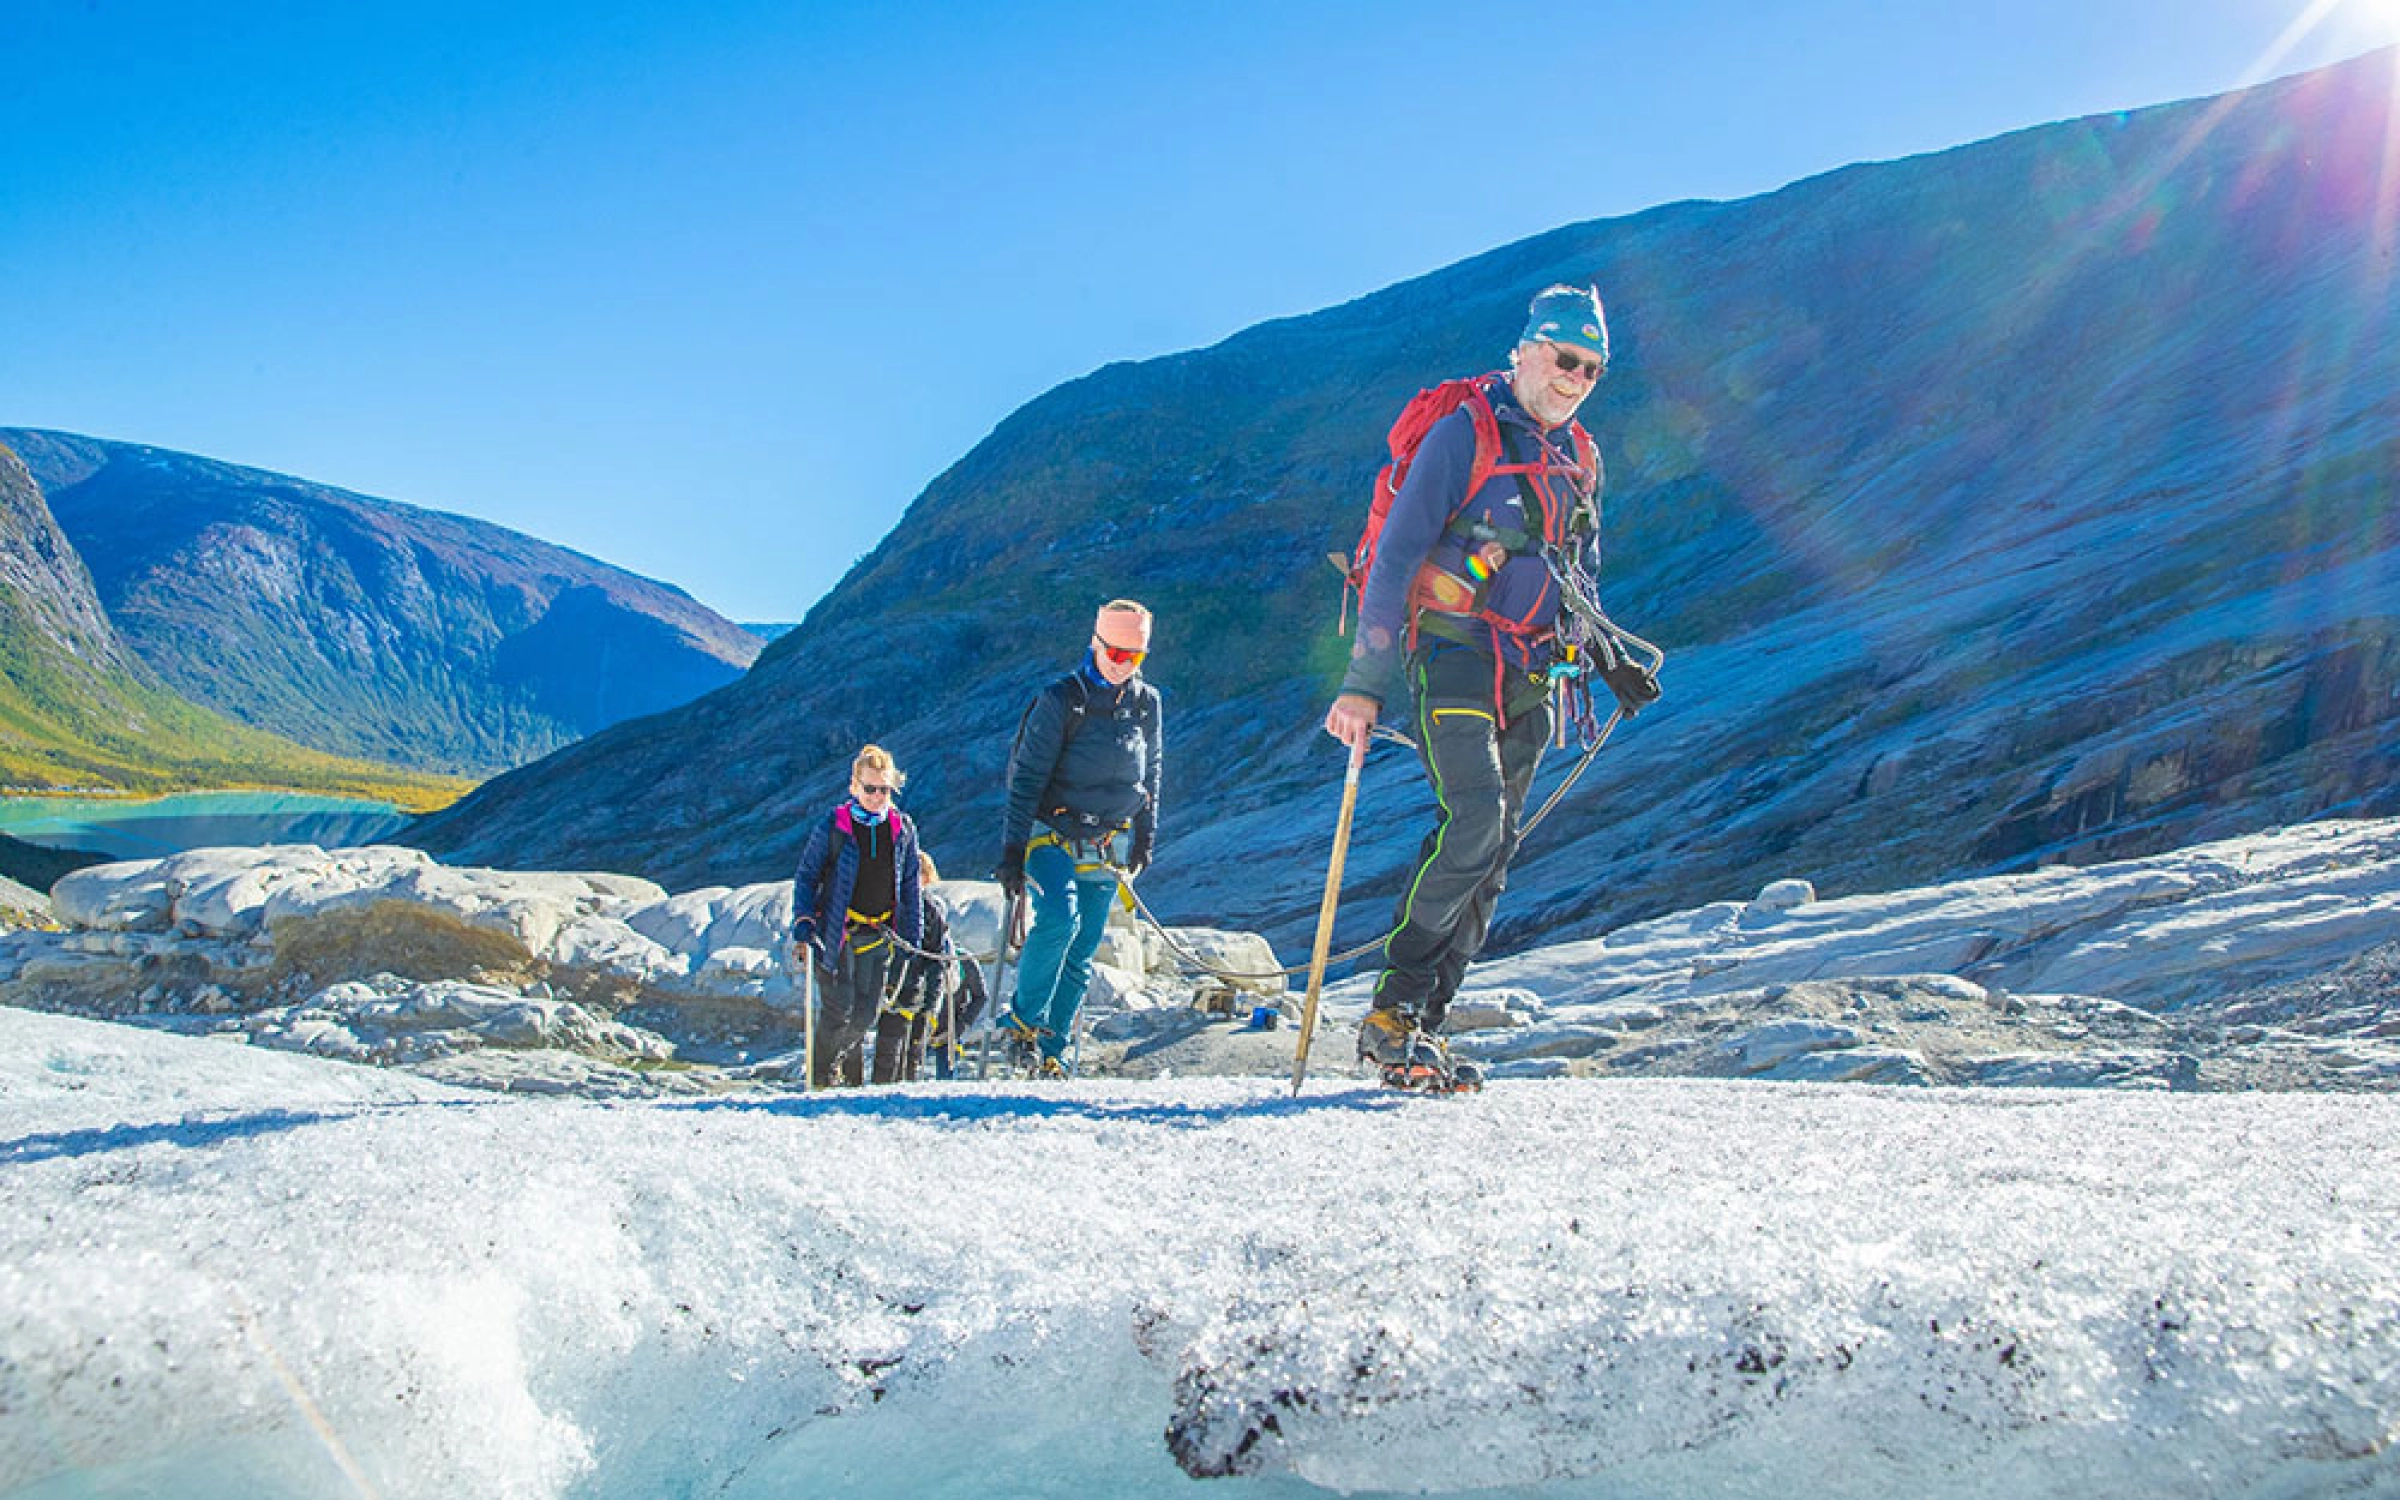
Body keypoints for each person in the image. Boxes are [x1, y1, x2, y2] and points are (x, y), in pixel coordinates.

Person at [1324, 284, 1659, 1086]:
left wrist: (1606, 657)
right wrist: (1363, 682)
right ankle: (1391, 1011)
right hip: (1454, 650)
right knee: (1476, 820)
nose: (1577, 379)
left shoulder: (1581, 458)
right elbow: (1397, 557)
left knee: (1496, 851)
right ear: (1529, 350)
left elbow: (1579, 572)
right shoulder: (1463, 433)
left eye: (1593, 368)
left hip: (1536, 668)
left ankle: (1422, 1030)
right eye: (1566, 359)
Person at [997, 599, 1164, 1078]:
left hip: (1108, 840)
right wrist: (1012, 852)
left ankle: (1054, 1049)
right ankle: (1022, 1025)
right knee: (1058, 920)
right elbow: (1026, 779)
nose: (1122, 664)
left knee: (1084, 944)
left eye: (1133, 656)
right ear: (1096, 643)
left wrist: (1145, 837)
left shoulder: (1147, 703)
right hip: (1050, 833)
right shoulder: (1060, 701)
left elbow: (1152, 771)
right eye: (1115, 653)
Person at [790, 744, 923, 1088]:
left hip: (878, 932)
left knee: (866, 1013)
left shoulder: (903, 829)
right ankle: (820, 1077)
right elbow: (807, 876)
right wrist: (803, 920)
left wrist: (913, 936)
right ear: (854, 786)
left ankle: (832, 1063)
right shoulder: (833, 827)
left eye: (884, 790)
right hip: (836, 932)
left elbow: (910, 885)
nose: (877, 797)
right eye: (870, 788)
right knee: (838, 1009)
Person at [872, 852, 990, 1083]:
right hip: (916, 1002)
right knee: (899, 1053)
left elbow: (979, 994)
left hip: (942, 1023)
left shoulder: (960, 958)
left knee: (926, 1063)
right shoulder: (896, 910)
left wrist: (957, 1026)